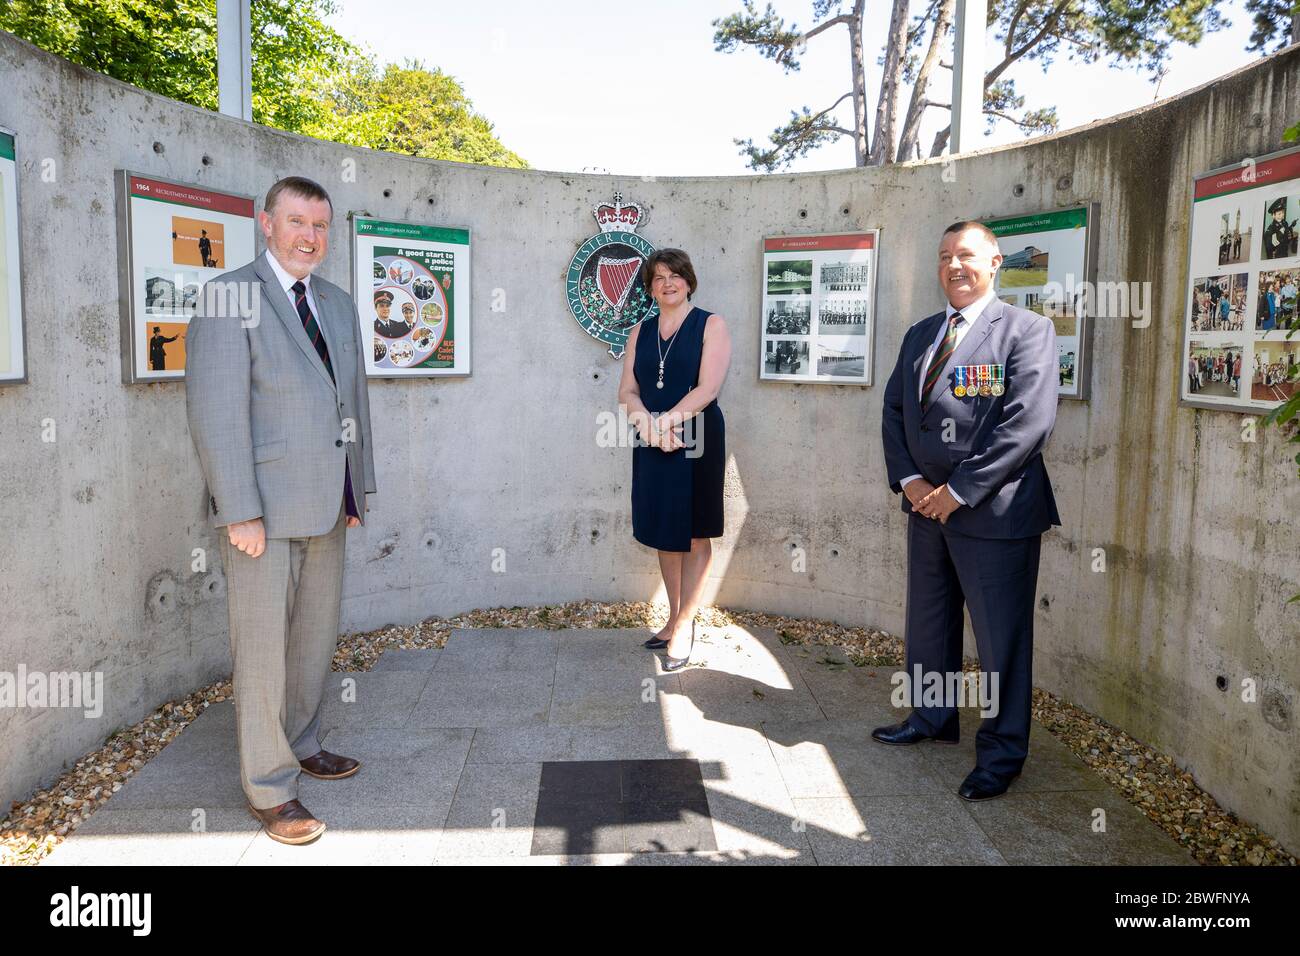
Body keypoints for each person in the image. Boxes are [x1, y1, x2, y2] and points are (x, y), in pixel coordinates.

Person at [185, 176, 377, 846]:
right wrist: (238, 510)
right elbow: (214, 410)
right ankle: (269, 788)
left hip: (328, 507)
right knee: (264, 649)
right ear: (266, 223)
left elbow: (351, 401)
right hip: (261, 512)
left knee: (313, 638)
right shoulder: (229, 295)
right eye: (296, 222)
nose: (309, 237)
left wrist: (356, 488)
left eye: (320, 226)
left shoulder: (335, 301)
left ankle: (300, 741)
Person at [877, 220, 1060, 802]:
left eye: (966, 255)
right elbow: (895, 408)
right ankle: (930, 718)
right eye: (944, 257)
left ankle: (1001, 756)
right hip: (924, 507)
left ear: (995, 262)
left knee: (1000, 639)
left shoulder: (1028, 331)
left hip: (994, 513)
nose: (954, 266)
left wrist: (958, 491)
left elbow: (1027, 423)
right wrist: (909, 480)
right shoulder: (921, 334)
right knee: (928, 623)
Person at [617, 248, 731, 671]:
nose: (668, 282)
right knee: (667, 532)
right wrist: (650, 427)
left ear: (688, 279)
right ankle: (672, 617)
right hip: (653, 436)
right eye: (658, 277)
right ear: (650, 287)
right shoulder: (639, 333)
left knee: (696, 531)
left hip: (698, 435)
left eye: (675, 275)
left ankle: (686, 622)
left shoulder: (711, 324)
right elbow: (627, 391)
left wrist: (666, 424)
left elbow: (709, 388)